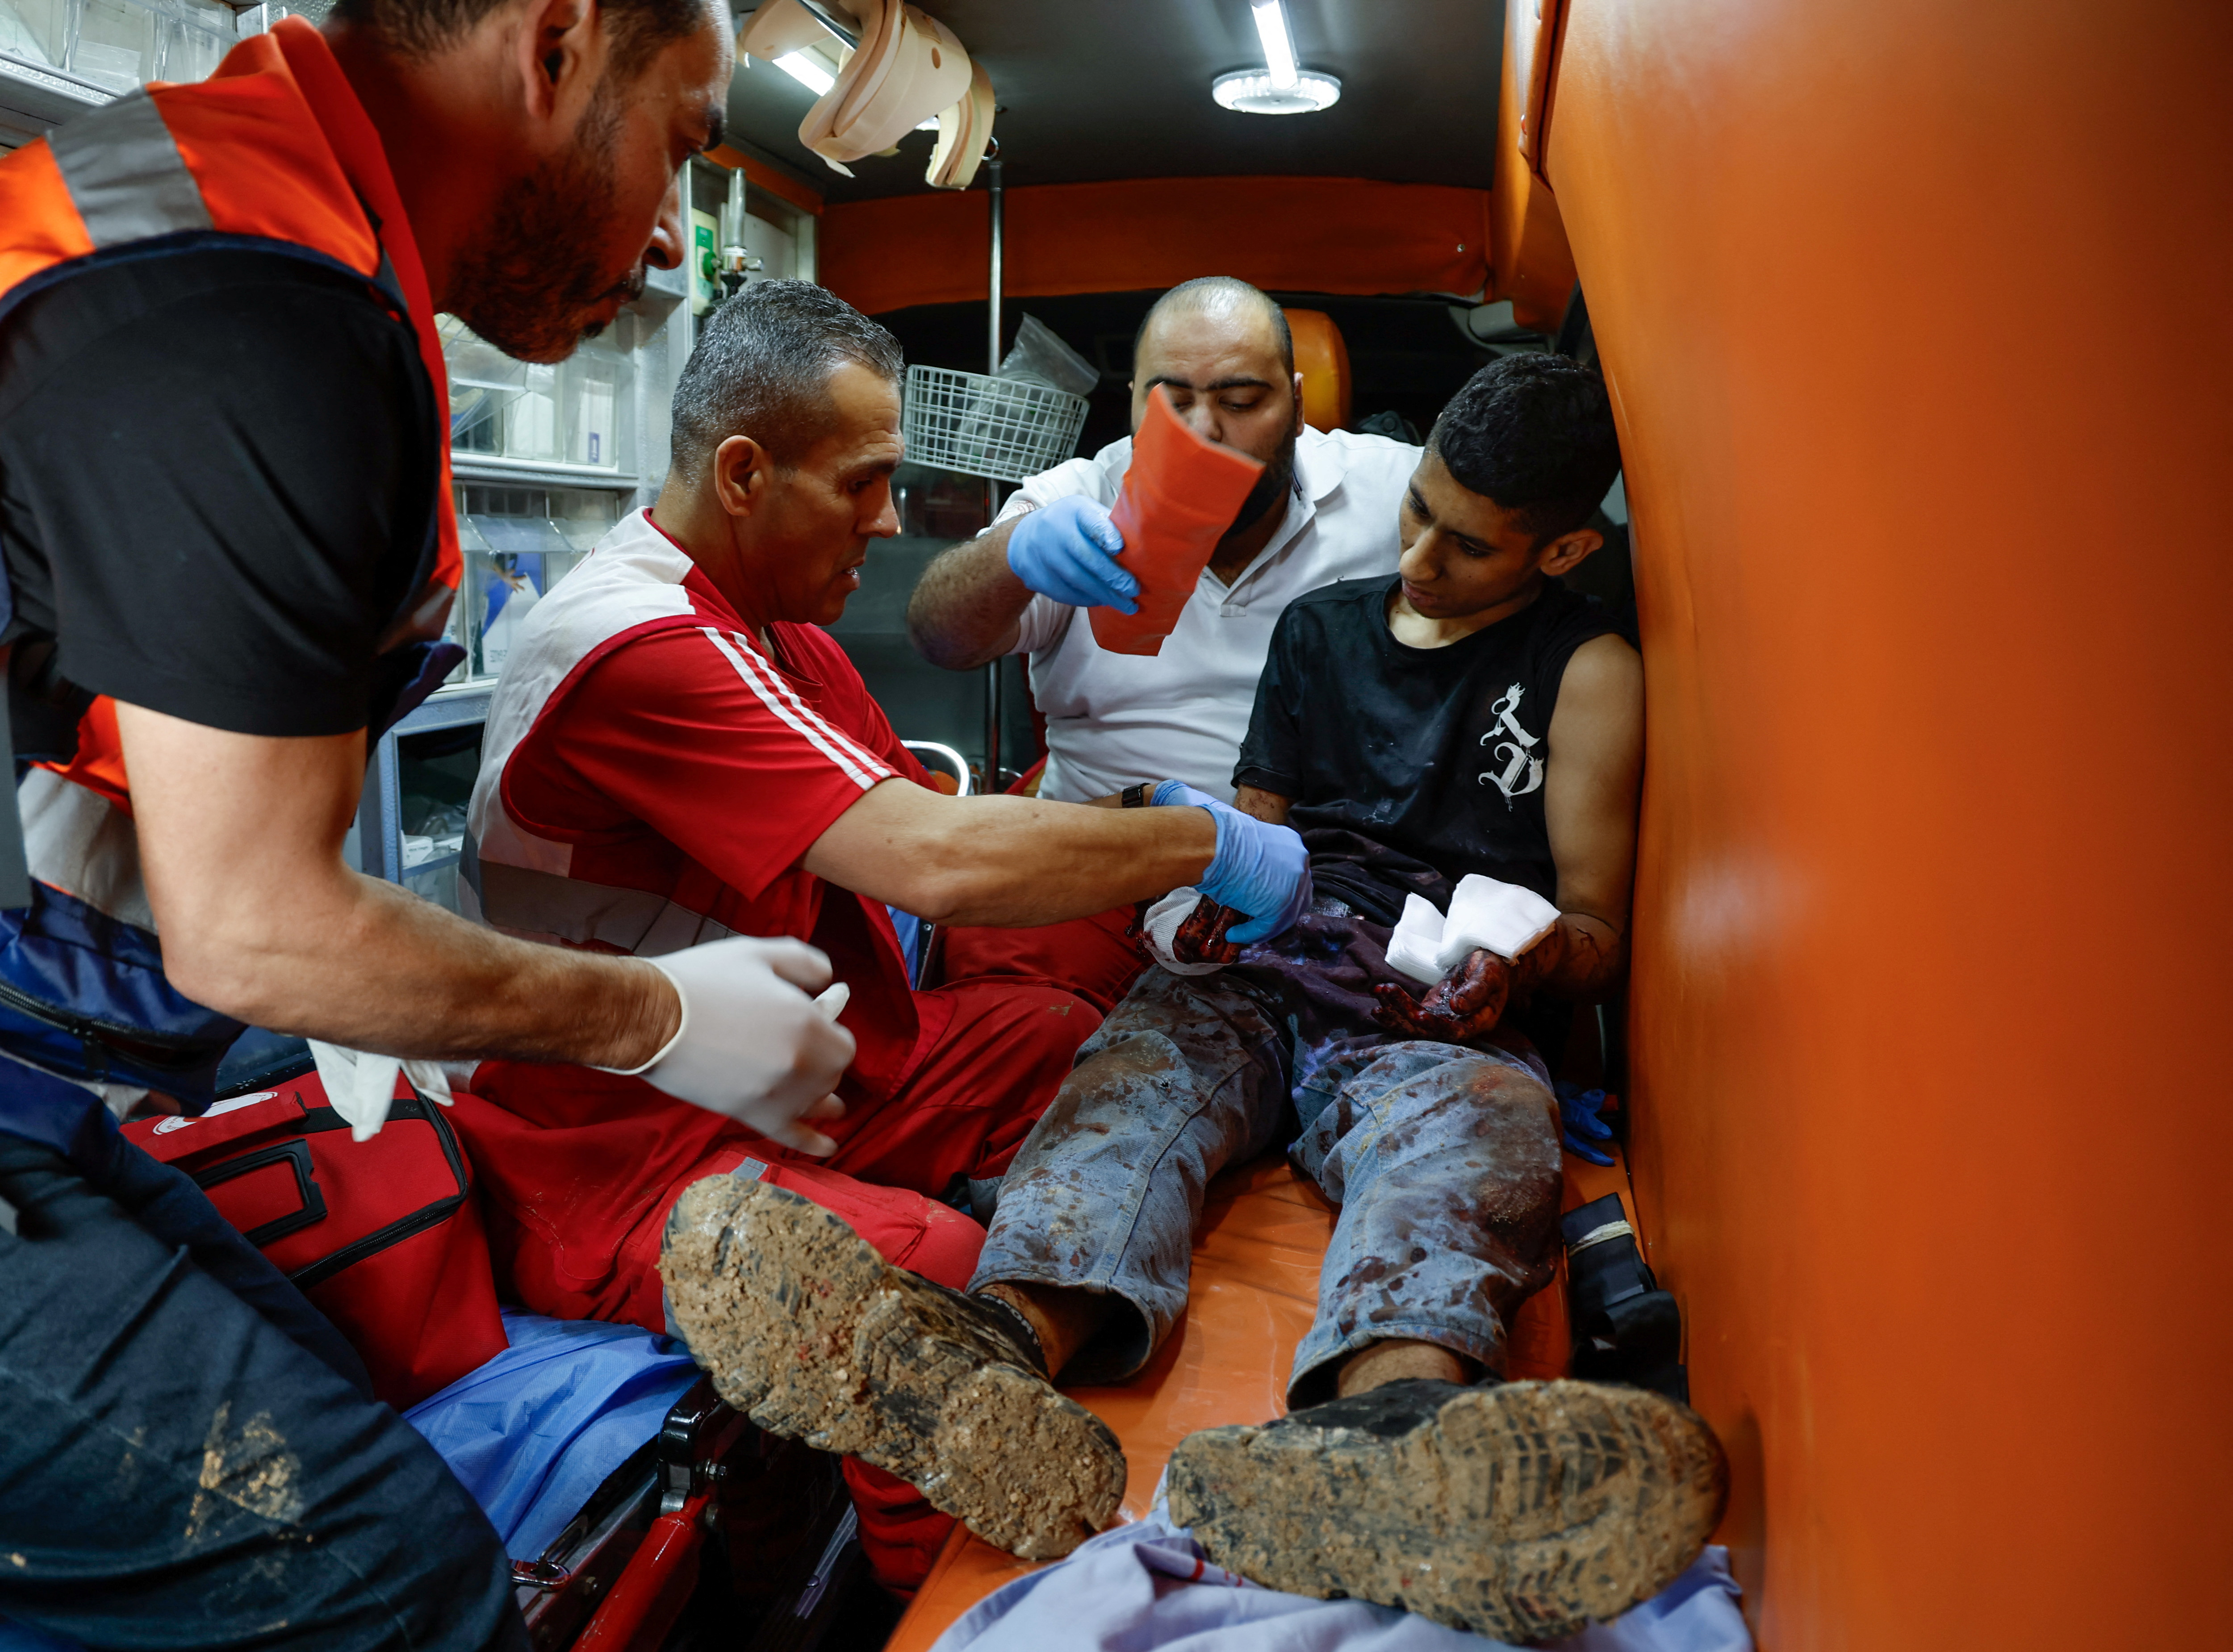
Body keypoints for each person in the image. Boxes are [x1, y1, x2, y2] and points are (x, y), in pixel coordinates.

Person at [0, 0, 848, 1644]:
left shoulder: (272, 232)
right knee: (392, 1586)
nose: (675, 228)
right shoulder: (249, 303)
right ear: (554, 50)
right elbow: (253, 923)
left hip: (47, 1073)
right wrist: (654, 1017)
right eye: (678, 140)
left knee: (324, 1410)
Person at [661, 356, 1729, 1642]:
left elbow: (1597, 926)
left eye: (1469, 543)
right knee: (1127, 1089)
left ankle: (1385, 1435)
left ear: (1560, 548)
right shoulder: (1324, 630)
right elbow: (1264, 823)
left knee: (1475, 1137)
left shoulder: (1586, 670)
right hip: (1274, 959)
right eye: (1419, 512)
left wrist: (1524, 966)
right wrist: (1221, 895)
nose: (1423, 557)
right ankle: (986, 1361)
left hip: (1437, 1002)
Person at [451, 280, 1310, 1587]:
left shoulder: (778, 630)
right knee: (943, 1271)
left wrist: (1143, 812)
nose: (891, 518)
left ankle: (1097, 1298)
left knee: (1053, 1033)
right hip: (616, 1149)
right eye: (864, 482)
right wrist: (1206, 843)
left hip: (786, 1078)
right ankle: (956, 1596)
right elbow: (940, 860)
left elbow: (916, 825)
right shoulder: (638, 644)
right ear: (744, 472)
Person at [906, 276, 1420, 1011]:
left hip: (1313, 873)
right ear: (1134, 401)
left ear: (1298, 403)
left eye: (1242, 403)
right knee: (1020, 1026)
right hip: (1099, 859)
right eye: (1172, 403)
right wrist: (1012, 557)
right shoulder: (1079, 498)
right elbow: (939, 636)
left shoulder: (1391, 495)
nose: (1206, 431)